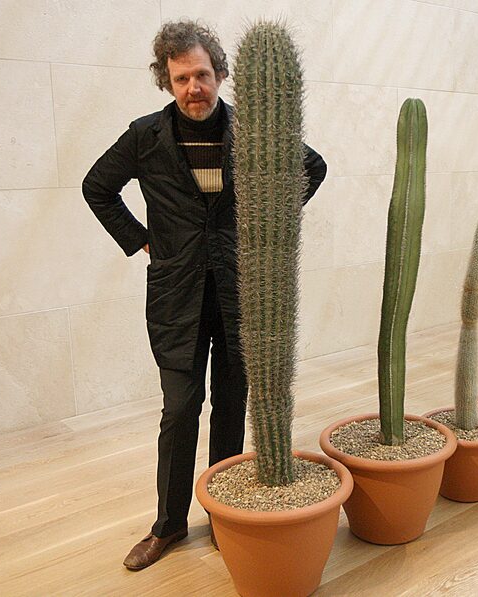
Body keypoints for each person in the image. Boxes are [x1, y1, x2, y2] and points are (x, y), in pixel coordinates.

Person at [82, 20, 327, 571]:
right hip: (176, 295)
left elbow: (312, 166)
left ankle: (222, 512)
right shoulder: (146, 136)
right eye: (180, 78)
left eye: (201, 74)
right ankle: (168, 525)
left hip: (243, 291)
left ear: (219, 73)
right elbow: (96, 186)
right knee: (180, 408)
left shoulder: (255, 128)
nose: (193, 87)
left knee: (232, 402)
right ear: (166, 83)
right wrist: (142, 241)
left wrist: (270, 227)